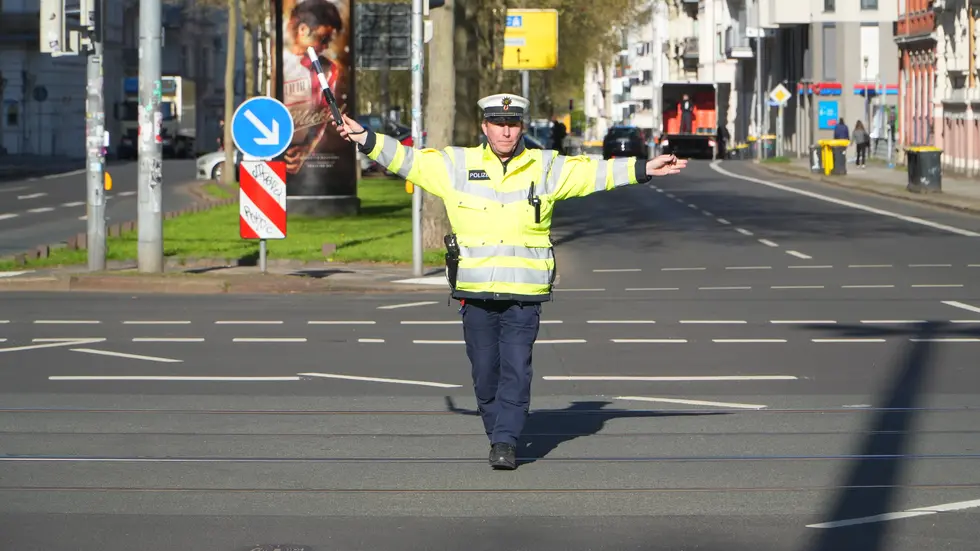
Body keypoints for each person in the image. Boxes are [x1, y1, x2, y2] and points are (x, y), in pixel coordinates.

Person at [332, 93, 688, 470]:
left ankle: (505, 441)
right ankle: (498, 431)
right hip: (475, 292)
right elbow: (409, 161)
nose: (506, 131)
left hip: (524, 294)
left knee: (517, 369)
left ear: (521, 127)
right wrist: (365, 137)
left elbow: (593, 173)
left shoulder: (544, 166)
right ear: (484, 127)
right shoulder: (457, 164)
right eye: (499, 124)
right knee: (485, 374)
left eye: (513, 124)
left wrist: (644, 167)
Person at [282, 0, 344, 174]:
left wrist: (307, 149)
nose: (325, 47)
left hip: (301, 160)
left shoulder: (328, 70)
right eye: (322, 39)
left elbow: (323, 115)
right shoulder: (274, 61)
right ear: (302, 30)